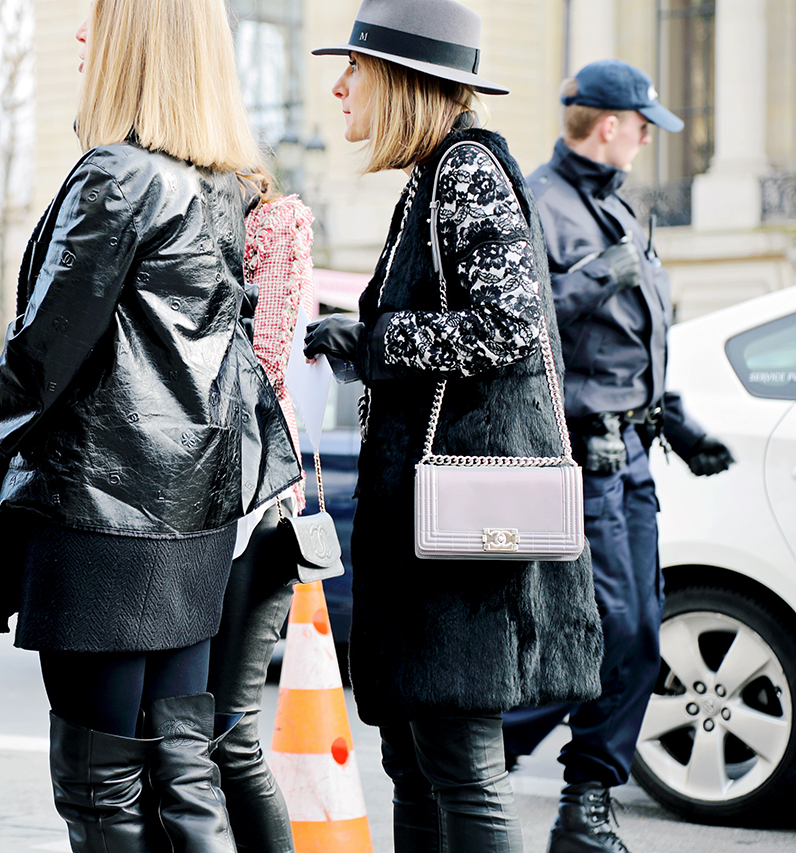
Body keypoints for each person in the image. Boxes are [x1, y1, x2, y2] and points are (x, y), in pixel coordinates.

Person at [0, 1, 300, 851]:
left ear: (136, 46)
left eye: (98, 21)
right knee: (182, 777)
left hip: (101, 519)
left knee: (102, 790)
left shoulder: (116, 175)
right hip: (191, 520)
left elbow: (41, 356)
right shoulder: (221, 188)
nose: (81, 37)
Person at [303, 2, 605, 851]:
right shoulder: (433, 177)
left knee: (462, 768)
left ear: (400, 80)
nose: (339, 87)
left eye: (353, 70)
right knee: (420, 761)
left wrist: (376, 342)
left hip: (458, 539)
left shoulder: (466, 171)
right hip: (429, 535)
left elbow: (507, 327)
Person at [500, 59, 734, 853]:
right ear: (610, 125)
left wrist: (679, 420)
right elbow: (515, 323)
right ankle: (483, 748)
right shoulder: (538, 203)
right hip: (577, 463)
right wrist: (596, 277)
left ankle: (583, 806)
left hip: (632, 458)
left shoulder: (627, 212)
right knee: (608, 633)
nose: (645, 139)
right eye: (641, 126)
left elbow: (634, 349)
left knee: (636, 636)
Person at [206, 176, 314, 853]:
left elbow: (266, 361)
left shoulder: (276, 223)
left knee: (229, 736)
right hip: (190, 505)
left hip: (258, 498)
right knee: (190, 737)